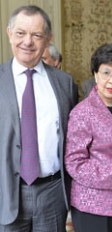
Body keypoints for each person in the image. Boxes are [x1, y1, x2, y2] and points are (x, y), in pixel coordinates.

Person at [0, 5, 77, 231]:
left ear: (48, 39)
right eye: (21, 33)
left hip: (52, 192)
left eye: (36, 35)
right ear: (9, 33)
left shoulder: (65, 83)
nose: (28, 42)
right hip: (7, 192)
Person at [65, 43, 112, 232]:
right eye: (106, 73)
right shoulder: (82, 112)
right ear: (95, 74)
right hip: (93, 204)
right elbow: (75, 163)